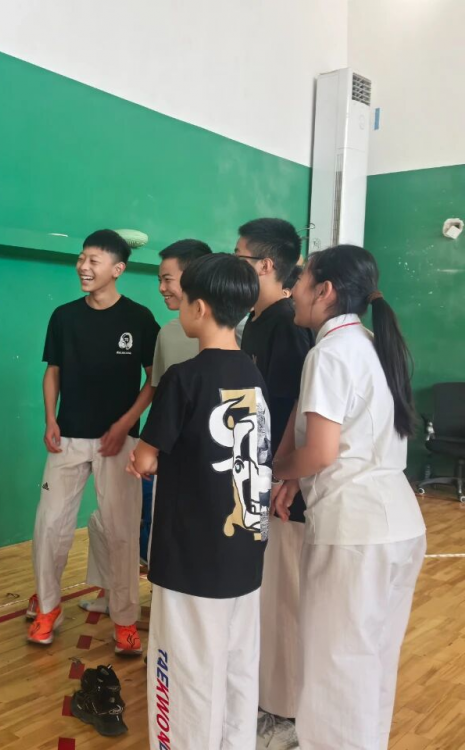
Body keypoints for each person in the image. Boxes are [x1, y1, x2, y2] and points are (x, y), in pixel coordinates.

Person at [272, 245, 426, 750]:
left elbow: (320, 452)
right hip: (399, 523)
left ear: (325, 291)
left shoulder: (330, 352)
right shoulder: (371, 343)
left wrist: (275, 471)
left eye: (301, 280)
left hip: (355, 531)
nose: (292, 290)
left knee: (335, 669)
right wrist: (296, 477)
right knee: (372, 663)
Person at [129, 253, 271, 749]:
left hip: (191, 561)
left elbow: (146, 457)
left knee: (185, 677)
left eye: (183, 297)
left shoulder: (183, 377)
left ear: (201, 308)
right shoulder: (254, 374)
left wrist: (145, 460)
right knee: (236, 671)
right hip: (245, 557)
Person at [27, 229, 159, 655]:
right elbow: (53, 371)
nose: (83, 267)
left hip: (118, 445)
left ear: (117, 269)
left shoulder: (139, 319)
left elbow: (154, 379)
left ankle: (124, 620)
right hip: (67, 438)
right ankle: (48, 609)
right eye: (81, 258)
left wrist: (126, 424)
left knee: (122, 532)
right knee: (49, 526)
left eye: (94, 261)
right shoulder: (64, 316)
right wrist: (50, 418)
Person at [80, 239, 212, 616]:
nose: (161, 288)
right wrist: (144, 446)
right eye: (159, 279)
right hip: (165, 461)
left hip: (204, 468)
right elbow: (159, 395)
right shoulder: (168, 334)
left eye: (167, 279)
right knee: (112, 524)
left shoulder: (231, 335)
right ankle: (135, 602)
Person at [234, 218, 314, 749]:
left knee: (284, 602)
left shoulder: (288, 326)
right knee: (264, 601)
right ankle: (264, 699)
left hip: (283, 494)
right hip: (257, 483)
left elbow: (294, 417)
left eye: (239, 255)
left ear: (265, 265)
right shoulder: (257, 321)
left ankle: (285, 717)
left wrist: (284, 480)